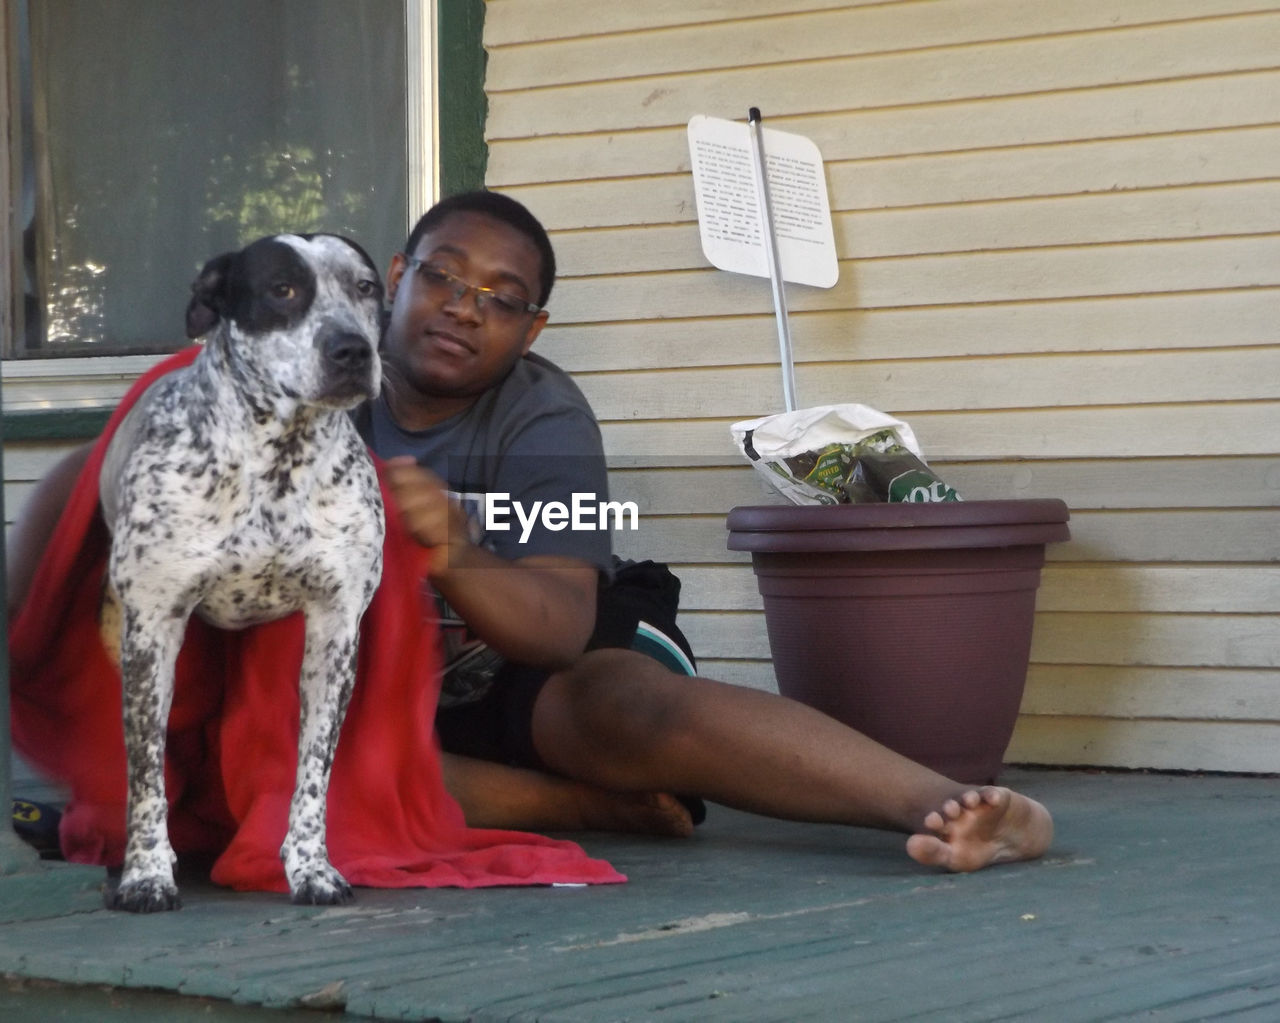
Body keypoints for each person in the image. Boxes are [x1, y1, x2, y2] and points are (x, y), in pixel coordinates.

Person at [8, 191, 1053, 873]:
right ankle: (595, 809)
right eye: (443, 279)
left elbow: (558, 629)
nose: (464, 310)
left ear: (531, 331)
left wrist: (450, 545)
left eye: (501, 301)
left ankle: (951, 802)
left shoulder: (543, 415)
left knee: (618, 703)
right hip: (387, 694)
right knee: (304, 763)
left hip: (541, 667)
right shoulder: (273, 382)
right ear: (390, 283)